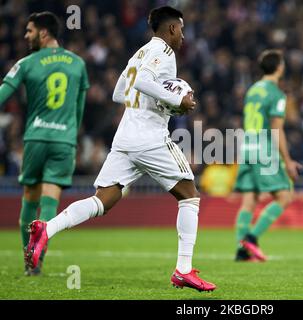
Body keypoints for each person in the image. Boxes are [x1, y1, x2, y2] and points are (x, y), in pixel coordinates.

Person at [25, 6, 216, 292]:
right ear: (172, 28)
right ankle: (183, 270)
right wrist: (177, 102)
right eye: (182, 30)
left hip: (126, 137)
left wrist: (160, 99)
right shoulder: (164, 53)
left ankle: (46, 228)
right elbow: (142, 82)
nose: (183, 37)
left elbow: (119, 93)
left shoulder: (138, 54)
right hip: (149, 136)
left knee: (102, 200)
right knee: (190, 197)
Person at [0, 12, 89, 275]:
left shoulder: (27, 62)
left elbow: (4, 93)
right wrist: (72, 139)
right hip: (64, 140)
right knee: (50, 201)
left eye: (29, 31)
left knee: (29, 199)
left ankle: (31, 264)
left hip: (36, 138)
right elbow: (79, 110)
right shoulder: (78, 64)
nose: (26, 36)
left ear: (43, 33)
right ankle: (39, 258)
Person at [233, 49, 302, 262]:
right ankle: (251, 239)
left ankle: (241, 252)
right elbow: (276, 129)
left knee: (249, 201)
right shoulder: (276, 94)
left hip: (247, 146)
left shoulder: (252, 90)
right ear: (280, 67)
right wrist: (288, 161)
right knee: (284, 196)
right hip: (264, 147)